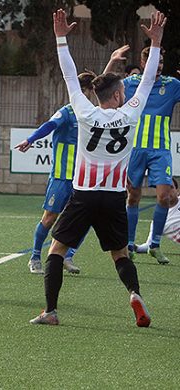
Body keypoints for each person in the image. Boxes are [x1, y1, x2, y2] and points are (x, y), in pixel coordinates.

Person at [30, 9, 165, 327]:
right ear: (118, 95)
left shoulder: (85, 113)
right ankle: (134, 293)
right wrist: (156, 43)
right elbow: (147, 81)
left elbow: (68, 75)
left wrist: (61, 38)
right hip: (114, 198)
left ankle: (50, 311)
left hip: (84, 195)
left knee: (57, 249)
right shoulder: (130, 114)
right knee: (120, 254)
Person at [15, 71, 97, 275]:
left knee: (86, 218)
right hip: (62, 177)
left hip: (83, 179)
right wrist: (30, 139)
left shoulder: (93, 115)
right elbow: (49, 125)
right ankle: (35, 257)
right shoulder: (67, 112)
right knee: (50, 217)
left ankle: (67, 256)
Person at [105, 44, 180, 264]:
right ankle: (128, 243)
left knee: (165, 196)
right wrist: (112, 60)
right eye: (153, 64)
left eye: (161, 64)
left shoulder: (172, 85)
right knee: (133, 196)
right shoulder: (130, 84)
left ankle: (154, 244)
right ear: (144, 64)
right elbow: (104, 84)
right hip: (135, 149)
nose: (158, 68)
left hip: (161, 149)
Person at [136, 178, 180, 253]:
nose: (168, 192)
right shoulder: (158, 220)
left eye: (171, 188)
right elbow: (148, 246)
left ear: (177, 191)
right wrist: (134, 247)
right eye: (164, 189)